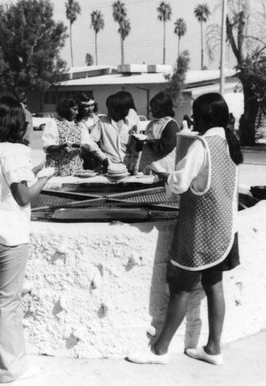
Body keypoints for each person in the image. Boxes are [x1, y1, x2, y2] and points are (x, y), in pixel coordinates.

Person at [127, 93, 243, 366]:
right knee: (214, 285)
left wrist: (166, 177)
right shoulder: (230, 142)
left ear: (204, 116)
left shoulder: (203, 144)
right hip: (225, 228)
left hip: (201, 227)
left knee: (181, 288)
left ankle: (159, 350)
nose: (192, 119)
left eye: (195, 114)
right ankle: (214, 348)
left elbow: (180, 183)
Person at [0, 95, 54, 383]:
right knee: (8, 305)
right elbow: (23, 196)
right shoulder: (13, 150)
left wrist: (33, 172)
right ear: (13, 122)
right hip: (10, 238)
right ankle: (10, 370)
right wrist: (47, 177)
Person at [42, 98, 101, 176]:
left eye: (78, 110)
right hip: (56, 168)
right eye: (74, 109)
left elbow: (88, 145)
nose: (77, 112)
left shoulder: (81, 125)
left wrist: (83, 146)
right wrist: (64, 145)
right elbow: (48, 148)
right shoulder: (53, 123)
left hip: (76, 169)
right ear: (65, 109)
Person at [90, 92, 135, 173]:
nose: (109, 110)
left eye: (112, 107)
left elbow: (135, 148)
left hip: (127, 168)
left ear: (120, 108)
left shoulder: (131, 124)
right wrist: (103, 158)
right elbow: (90, 142)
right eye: (108, 107)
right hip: (109, 168)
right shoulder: (102, 122)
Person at [136, 92, 179, 175]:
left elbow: (166, 146)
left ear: (163, 109)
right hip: (148, 169)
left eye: (154, 108)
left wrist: (148, 141)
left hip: (162, 171)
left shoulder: (170, 125)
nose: (151, 111)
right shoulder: (151, 124)